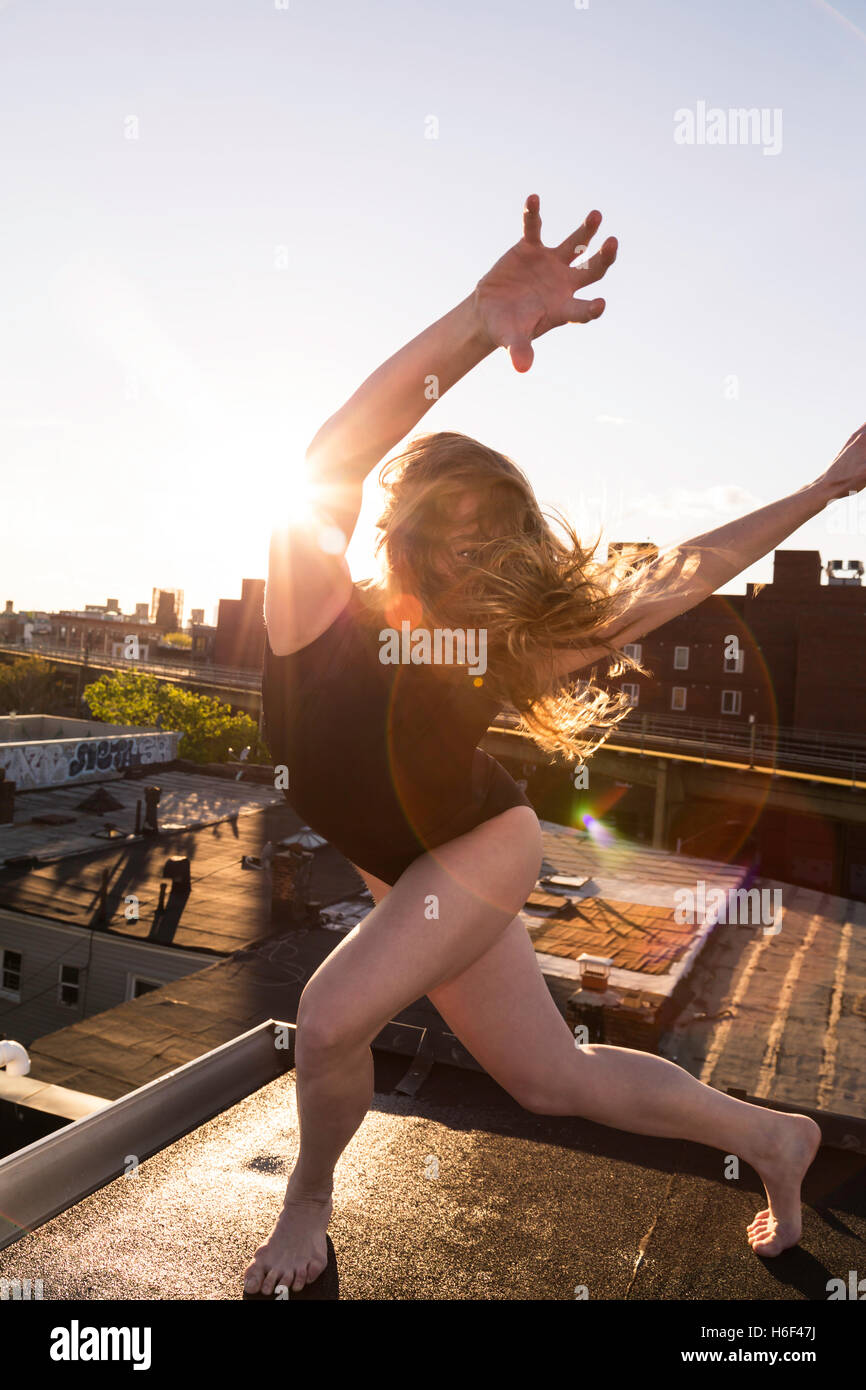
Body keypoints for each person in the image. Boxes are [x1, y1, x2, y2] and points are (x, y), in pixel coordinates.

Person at [245, 193, 865, 1295]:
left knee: (330, 1015)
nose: (474, 552)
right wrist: (477, 325)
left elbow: (682, 574)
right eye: (453, 529)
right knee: (550, 1078)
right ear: (403, 537)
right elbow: (339, 445)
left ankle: (307, 1204)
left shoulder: (504, 649)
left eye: (498, 534)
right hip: (416, 866)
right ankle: (773, 1140)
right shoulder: (312, 608)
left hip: (481, 846)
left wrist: (820, 490)